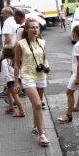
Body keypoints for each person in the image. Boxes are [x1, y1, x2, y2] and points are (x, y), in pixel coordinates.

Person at [13, 18, 50, 146]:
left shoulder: (42, 42)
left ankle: (35, 126)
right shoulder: (21, 44)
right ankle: (41, 134)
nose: (35, 30)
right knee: (38, 104)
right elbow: (16, 64)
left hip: (40, 75)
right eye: (32, 27)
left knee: (37, 105)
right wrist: (17, 82)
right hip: (27, 76)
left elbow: (45, 58)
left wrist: (46, 65)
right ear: (27, 29)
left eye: (37, 27)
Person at [58, 25, 79, 123]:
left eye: (73, 32)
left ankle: (69, 116)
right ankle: (77, 107)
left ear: (75, 34)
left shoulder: (77, 45)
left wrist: (77, 77)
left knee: (69, 92)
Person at [1, 46, 24, 117]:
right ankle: (11, 107)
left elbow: (5, 74)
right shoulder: (15, 60)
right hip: (18, 79)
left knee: (15, 96)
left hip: (10, 81)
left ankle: (21, 111)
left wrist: (5, 84)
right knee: (8, 92)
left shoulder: (4, 61)